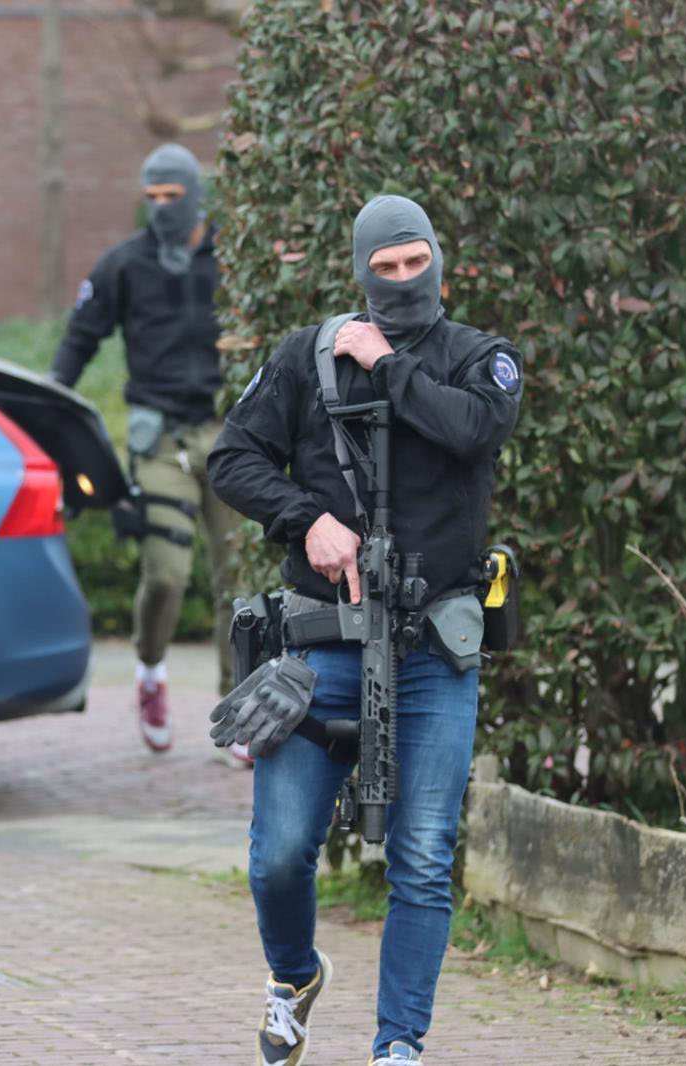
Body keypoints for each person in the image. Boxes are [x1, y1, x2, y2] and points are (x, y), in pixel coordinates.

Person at [207, 195, 523, 1065]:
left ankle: (398, 1045)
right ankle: (294, 976)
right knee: (280, 855)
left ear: (438, 262)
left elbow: (472, 430)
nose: (402, 279)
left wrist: (386, 364)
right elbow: (231, 459)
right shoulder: (307, 358)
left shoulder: (481, 359)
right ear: (361, 272)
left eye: (415, 262)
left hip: (432, 654)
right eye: (384, 268)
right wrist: (305, 519)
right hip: (321, 645)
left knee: (421, 855)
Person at [50, 143, 243, 762]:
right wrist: (48, 410)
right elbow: (79, 339)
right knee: (166, 574)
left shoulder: (233, 258)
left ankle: (236, 707)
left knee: (237, 579)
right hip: (159, 440)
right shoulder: (124, 264)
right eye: (151, 196)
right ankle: (151, 670)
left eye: (172, 195)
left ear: (196, 195)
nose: (162, 207)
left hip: (229, 435)